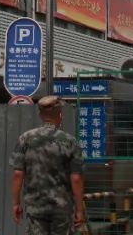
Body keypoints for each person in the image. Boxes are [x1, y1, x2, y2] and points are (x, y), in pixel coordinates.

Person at [11, 95, 86, 234]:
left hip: (35, 206)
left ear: (40, 115)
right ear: (60, 115)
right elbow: (76, 179)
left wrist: (16, 203)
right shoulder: (70, 142)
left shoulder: (25, 139)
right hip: (62, 207)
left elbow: (17, 174)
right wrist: (79, 210)